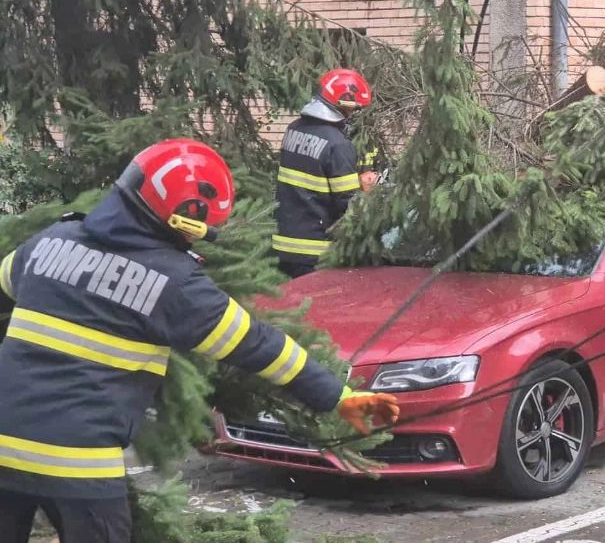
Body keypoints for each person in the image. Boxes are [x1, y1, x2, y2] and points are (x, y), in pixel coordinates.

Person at [0, 139, 400, 542]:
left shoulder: (51, 240)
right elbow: (260, 346)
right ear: (185, 218)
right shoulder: (175, 285)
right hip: (78, 464)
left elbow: (6, 283)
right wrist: (340, 397)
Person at [273, 69, 376, 278]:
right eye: (353, 109)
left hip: (282, 244)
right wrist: (366, 191)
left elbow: (314, 177)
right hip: (314, 251)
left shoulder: (293, 129)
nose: (354, 114)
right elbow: (346, 203)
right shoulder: (338, 145)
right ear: (343, 105)